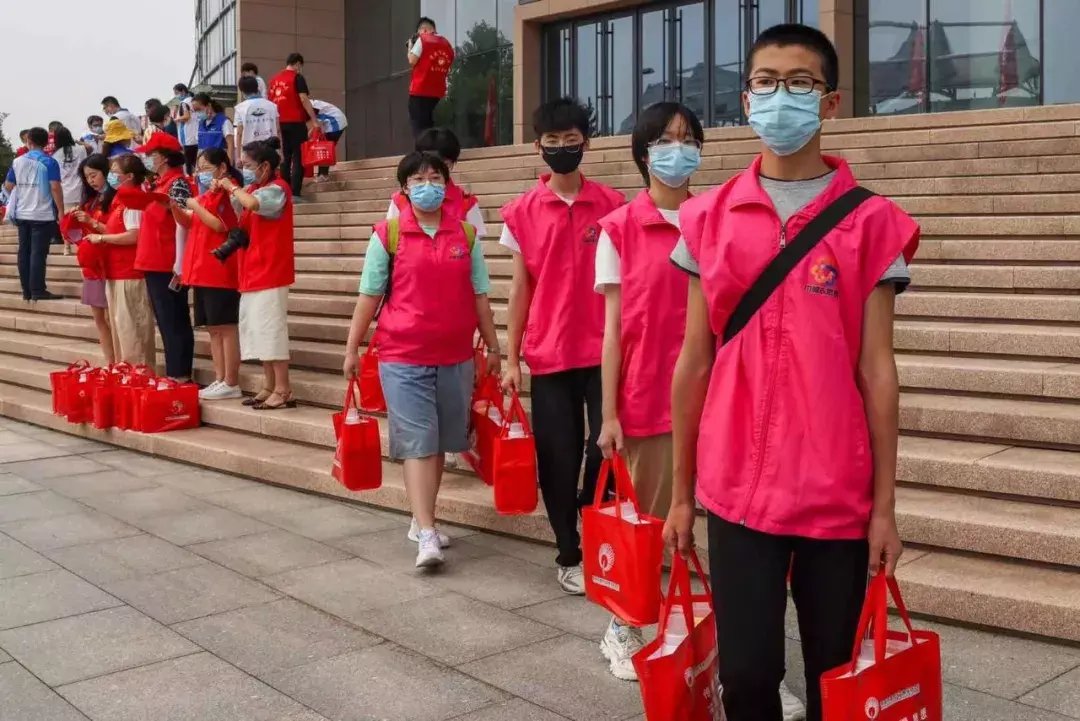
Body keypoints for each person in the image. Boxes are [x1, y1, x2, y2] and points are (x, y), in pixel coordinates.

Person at [664, 25, 919, 721]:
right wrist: (683, 495)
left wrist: (885, 508)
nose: (782, 97)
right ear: (746, 100)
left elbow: (878, 370)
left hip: (835, 490)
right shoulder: (706, 218)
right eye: (766, 82)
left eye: (800, 83)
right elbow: (692, 362)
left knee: (836, 675)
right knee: (746, 676)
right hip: (736, 487)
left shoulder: (872, 223)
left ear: (830, 102)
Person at [343, 151, 500, 568]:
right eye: (418, 179)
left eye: (435, 177)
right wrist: (352, 346)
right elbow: (369, 295)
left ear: (447, 186)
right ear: (404, 189)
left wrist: (494, 346)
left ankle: (421, 519)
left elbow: (480, 296)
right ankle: (427, 533)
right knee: (418, 443)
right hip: (402, 354)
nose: (427, 185)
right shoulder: (388, 235)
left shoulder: (465, 236)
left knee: (441, 442)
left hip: (455, 355)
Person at [591, 101, 703, 681]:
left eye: (687, 138)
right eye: (664, 139)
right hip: (649, 398)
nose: (677, 149)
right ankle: (624, 625)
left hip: (718, 398)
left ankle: (714, 636)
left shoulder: (716, 218)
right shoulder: (618, 228)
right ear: (643, 153)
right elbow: (612, 332)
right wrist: (609, 413)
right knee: (653, 524)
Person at [500, 99, 625, 593]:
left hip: (602, 350)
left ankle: (598, 533)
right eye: (551, 142)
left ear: (585, 143)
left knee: (605, 449)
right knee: (558, 454)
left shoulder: (613, 205)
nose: (561, 149)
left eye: (569, 140)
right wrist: (510, 358)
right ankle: (568, 550)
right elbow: (519, 288)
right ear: (538, 146)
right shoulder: (522, 212)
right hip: (549, 351)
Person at [215, 138, 295, 409]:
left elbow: (254, 204)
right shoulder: (254, 188)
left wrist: (233, 187)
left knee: (271, 330)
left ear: (264, 166)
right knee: (258, 330)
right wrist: (227, 190)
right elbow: (241, 207)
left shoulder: (277, 189)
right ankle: (269, 384)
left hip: (271, 270)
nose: (244, 169)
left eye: (248, 165)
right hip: (252, 270)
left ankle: (283, 389)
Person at [175, 147, 243, 400]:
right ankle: (219, 378)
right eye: (198, 169)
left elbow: (219, 224)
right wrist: (174, 206)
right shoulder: (207, 194)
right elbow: (189, 221)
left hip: (220, 269)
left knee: (225, 327)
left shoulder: (229, 191)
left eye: (205, 168)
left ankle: (231, 380)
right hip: (201, 271)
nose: (200, 174)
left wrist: (193, 204)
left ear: (222, 168)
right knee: (213, 328)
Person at [83, 154, 156, 367]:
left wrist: (102, 237)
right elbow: (116, 230)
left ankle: (139, 376)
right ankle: (125, 374)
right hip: (115, 272)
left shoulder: (133, 201)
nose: (111, 177)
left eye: (115, 173)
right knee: (119, 329)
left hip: (130, 274)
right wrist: (94, 227)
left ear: (130, 176)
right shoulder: (119, 200)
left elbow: (135, 235)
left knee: (132, 330)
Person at [134, 132, 195, 382]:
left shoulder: (177, 183)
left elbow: (184, 223)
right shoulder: (159, 184)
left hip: (167, 262)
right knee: (166, 320)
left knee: (174, 319)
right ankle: (174, 372)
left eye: (152, 155)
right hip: (153, 260)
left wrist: (180, 263)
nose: (148, 159)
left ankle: (179, 374)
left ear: (165, 158)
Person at [385, 128, 486, 235]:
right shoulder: (400, 199)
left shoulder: (466, 202)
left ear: (452, 164)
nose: (434, 169)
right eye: (428, 163)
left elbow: (474, 243)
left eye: (443, 164)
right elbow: (389, 236)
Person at [3, 127, 63, 301]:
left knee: (24, 252)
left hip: (22, 213)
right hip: (42, 214)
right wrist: (61, 211)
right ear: (46, 143)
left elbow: (8, 186)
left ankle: (26, 291)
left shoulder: (17, 162)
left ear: (28, 141)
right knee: (38, 253)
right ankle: (37, 290)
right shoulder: (49, 162)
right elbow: (55, 187)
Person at [71, 154, 117, 364]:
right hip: (92, 265)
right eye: (86, 177)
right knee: (99, 318)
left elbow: (118, 232)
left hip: (111, 264)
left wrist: (92, 223)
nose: (90, 180)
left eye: (94, 175)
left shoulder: (116, 198)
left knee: (110, 318)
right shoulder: (90, 201)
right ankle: (110, 363)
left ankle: (120, 363)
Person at [268, 53, 319, 199]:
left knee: (285, 157)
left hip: (279, 123)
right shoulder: (297, 77)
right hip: (296, 122)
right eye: (300, 66)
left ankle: (284, 191)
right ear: (297, 64)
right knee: (298, 156)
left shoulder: (273, 80)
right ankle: (295, 192)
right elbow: (303, 98)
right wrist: (314, 120)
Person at [407, 17, 454, 138]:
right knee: (428, 122)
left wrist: (410, 47)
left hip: (420, 90)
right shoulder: (446, 44)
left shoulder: (422, 39)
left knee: (418, 123)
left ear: (423, 30)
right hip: (437, 92)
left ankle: (422, 152)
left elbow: (412, 61)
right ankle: (432, 149)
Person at [234, 76, 281, 160]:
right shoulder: (272, 106)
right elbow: (278, 130)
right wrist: (281, 153)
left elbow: (239, 134)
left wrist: (238, 157)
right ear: (257, 87)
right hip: (271, 151)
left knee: (251, 172)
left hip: (250, 153)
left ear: (242, 91)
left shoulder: (240, 108)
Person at [51, 127, 89, 213]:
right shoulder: (81, 149)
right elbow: (90, 147)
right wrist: (76, 141)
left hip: (66, 193)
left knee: (70, 222)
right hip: (82, 191)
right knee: (84, 220)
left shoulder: (55, 156)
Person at [310, 98, 346, 182]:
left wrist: (308, 135)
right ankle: (322, 174)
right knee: (324, 149)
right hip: (333, 123)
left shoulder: (312, 106)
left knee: (325, 150)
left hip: (335, 123)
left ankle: (323, 175)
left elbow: (315, 123)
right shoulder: (313, 104)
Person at [192, 93, 235, 160]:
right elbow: (200, 149)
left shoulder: (224, 122)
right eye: (195, 111)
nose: (197, 113)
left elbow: (231, 145)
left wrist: (229, 166)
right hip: (205, 165)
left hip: (219, 163)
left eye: (199, 109)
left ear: (208, 105)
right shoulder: (201, 124)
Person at [173, 83, 200, 174]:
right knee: (195, 162)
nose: (176, 95)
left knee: (189, 163)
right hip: (195, 135)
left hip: (188, 137)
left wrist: (176, 119)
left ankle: (191, 180)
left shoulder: (184, 102)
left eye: (177, 93)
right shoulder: (193, 100)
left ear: (183, 91)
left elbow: (186, 116)